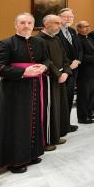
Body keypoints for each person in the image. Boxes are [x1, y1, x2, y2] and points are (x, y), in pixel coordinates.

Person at [0, 13, 49, 173]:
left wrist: (44, 67)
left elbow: (46, 60)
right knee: (18, 124)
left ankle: (32, 153)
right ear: (16, 25)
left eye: (29, 23)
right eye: (22, 23)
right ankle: (15, 161)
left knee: (34, 119)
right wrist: (23, 72)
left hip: (35, 87)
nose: (26, 26)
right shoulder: (5, 43)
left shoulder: (39, 42)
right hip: (13, 91)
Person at [36, 14, 71, 150]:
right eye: (56, 23)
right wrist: (58, 74)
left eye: (59, 23)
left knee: (59, 107)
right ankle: (47, 140)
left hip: (61, 76)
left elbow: (64, 57)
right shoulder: (39, 40)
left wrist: (66, 72)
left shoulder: (56, 39)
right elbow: (45, 60)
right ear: (46, 24)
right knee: (49, 109)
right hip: (49, 78)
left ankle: (56, 135)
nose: (59, 25)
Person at [57, 8, 82, 132]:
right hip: (63, 71)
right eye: (66, 16)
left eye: (71, 17)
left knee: (69, 98)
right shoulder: (56, 32)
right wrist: (69, 65)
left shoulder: (72, 31)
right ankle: (60, 126)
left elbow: (79, 48)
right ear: (59, 17)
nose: (68, 19)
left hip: (75, 69)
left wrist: (78, 60)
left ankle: (67, 124)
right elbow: (58, 53)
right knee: (62, 100)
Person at [75, 20, 94, 124]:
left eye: (88, 26)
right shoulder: (77, 40)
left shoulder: (89, 38)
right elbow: (81, 57)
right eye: (84, 27)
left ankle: (89, 112)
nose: (87, 28)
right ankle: (82, 117)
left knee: (91, 94)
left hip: (93, 70)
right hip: (84, 72)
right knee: (83, 96)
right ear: (78, 29)